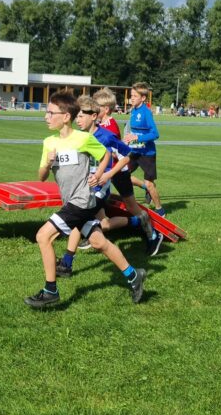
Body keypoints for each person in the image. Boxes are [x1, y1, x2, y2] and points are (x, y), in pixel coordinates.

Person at [25, 91, 146, 309]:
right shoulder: (49, 142)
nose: (46, 117)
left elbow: (106, 155)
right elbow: (41, 177)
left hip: (82, 200)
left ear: (66, 117)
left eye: (50, 113)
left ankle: (50, 291)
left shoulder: (83, 139)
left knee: (43, 235)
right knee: (99, 242)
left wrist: (99, 175)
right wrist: (48, 163)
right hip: (70, 201)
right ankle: (134, 275)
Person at [55, 93, 162, 276]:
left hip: (107, 182)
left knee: (85, 219)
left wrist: (107, 175)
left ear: (95, 115)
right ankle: (135, 223)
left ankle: (148, 235)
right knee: (99, 224)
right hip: (88, 186)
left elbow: (126, 155)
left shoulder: (107, 135)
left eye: (80, 116)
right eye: (76, 116)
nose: (77, 120)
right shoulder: (79, 136)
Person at [124, 83, 165, 215]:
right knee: (122, 175)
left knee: (149, 183)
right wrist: (128, 139)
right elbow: (133, 131)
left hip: (147, 153)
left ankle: (160, 210)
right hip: (135, 151)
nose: (132, 98)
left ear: (143, 98)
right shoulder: (133, 110)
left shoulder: (146, 112)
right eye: (131, 95)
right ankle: (143, 188)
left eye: (135, 96)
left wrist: (137, 138)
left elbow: (155, 134)